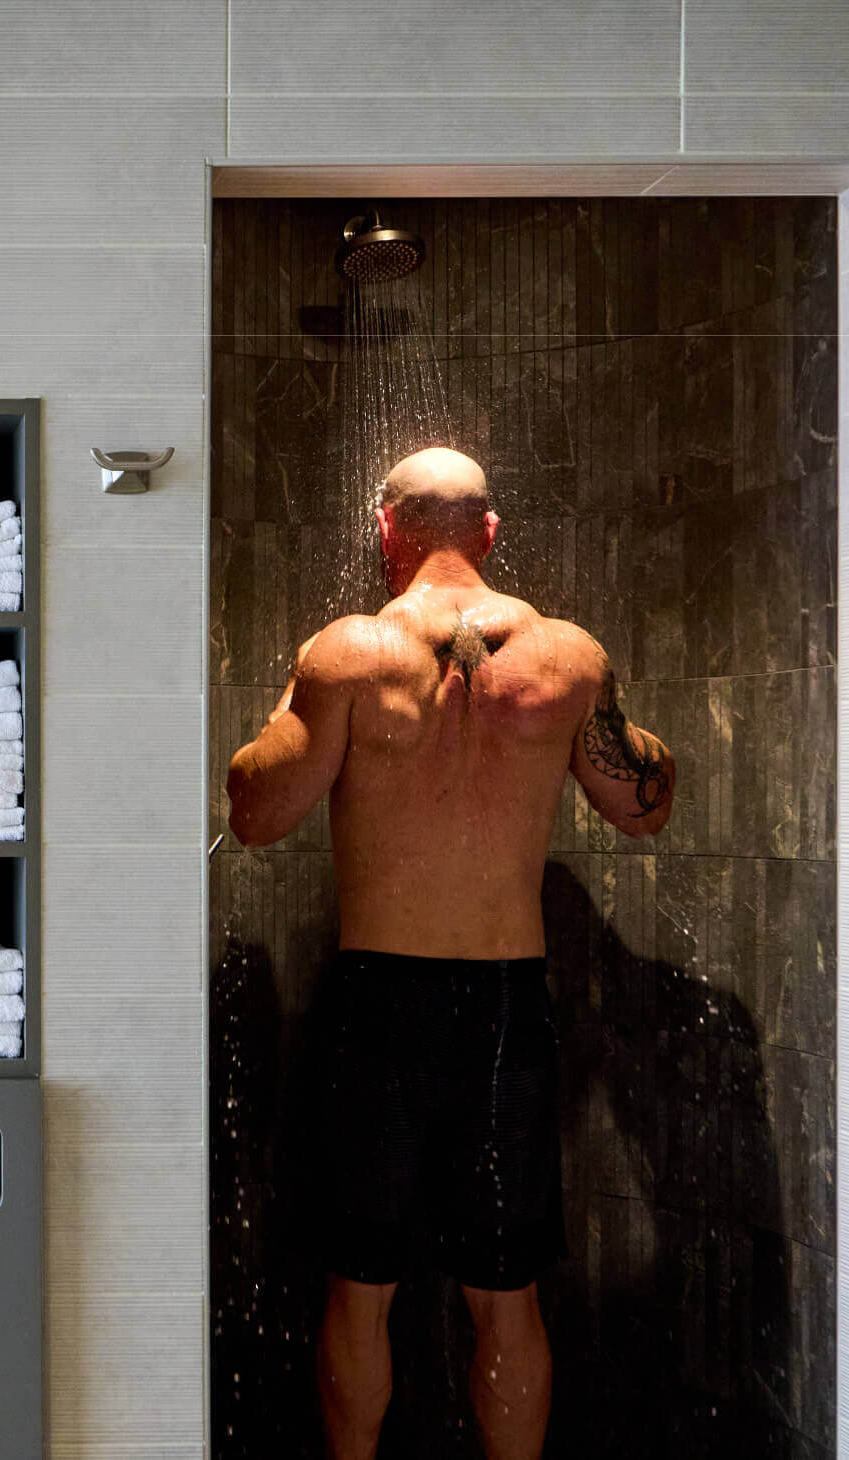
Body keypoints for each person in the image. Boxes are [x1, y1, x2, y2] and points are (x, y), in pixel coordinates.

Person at [225, 447, 676, 1460]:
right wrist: (628, 731)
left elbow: (256, 812)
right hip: (508, 1009)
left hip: (378, 1004)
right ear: (489, 530)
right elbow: (640, 806)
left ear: (387, 530)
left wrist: (269, 734)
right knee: (505, 1293)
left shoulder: (347, 654)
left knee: (361, 1285)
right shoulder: (567, 658)